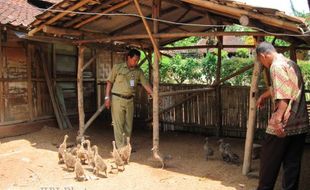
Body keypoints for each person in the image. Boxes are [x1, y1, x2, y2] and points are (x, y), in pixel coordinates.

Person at [256, 42, 309, 190]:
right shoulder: (290, 63)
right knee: (292, 165)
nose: (263, 64)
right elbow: (287, 86)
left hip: (284, 124)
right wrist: (265, 96)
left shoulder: (276, 66)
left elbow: (284, 95)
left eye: (261, 61)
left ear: (263, 55)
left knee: (268, 162)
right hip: (300, 124)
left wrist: (278, 120)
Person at [104, 49, 152, 149]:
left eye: (138, 60)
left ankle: (126, 147)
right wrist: (107, 97)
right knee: (118, 125)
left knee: (128, 125)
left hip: (130, 100)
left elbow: (145, 84)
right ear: (128, 58)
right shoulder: (118, 68)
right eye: (134, 60)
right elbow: (109, 82)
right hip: (117, 99)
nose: (136, 62)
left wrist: (153, 93)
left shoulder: (138, 71)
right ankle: (121, 148)